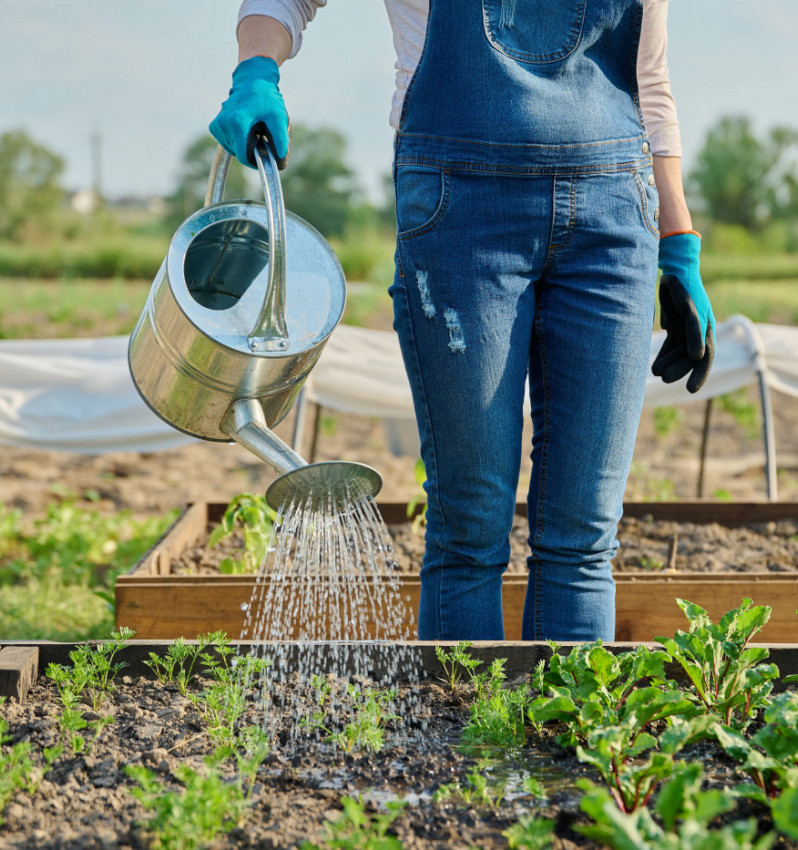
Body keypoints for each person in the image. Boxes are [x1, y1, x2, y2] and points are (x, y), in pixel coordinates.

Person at [210, 0, 714, 642]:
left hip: (612, 224)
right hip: (462, 219)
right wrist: (256, 72)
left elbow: (651, 79)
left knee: (583, 536)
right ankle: (469, 741)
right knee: (470, 528)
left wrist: (678, 242)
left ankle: (568, 739)